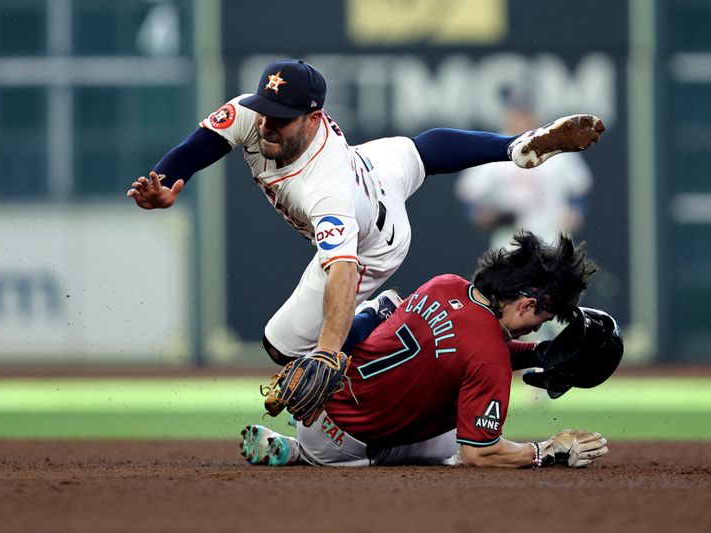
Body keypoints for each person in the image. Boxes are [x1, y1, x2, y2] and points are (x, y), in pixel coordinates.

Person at [128, 58, 605, 420]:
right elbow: (201, 145)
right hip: (374, 166)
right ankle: (516, 146)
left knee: (282, 348)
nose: (267, 124)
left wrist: (330, 351)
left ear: (314, 118)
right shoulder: (251, 114)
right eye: (265, 110)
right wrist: (166, 182)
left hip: (376, 239)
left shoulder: (324, 190)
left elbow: (343, 267)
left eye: (282, 118)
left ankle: (377, 312)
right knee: (417, 151)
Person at [240, 232, 618, 468]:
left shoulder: (445, 285)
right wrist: (546, 450)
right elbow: (479, 453)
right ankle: (297, 452)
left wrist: (537, 353)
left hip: (320, 399)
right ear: (525, 305)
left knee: (387, 307)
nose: (538, 326)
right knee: (458, 444)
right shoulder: (489, 359)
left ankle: (302, 429)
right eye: (542, 317)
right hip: (341, 447)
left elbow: (465, 348)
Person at [455, 95, 594, 252]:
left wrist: (577, 211)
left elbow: (580, 188)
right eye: (517, 115)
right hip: (510, 236)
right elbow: (469, 195)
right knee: (507, 274)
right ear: (508, 117)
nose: (522, 120)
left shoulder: (558, 145)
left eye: (525, 114)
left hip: (552, 234)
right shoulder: (493, 147)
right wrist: (484, 214)